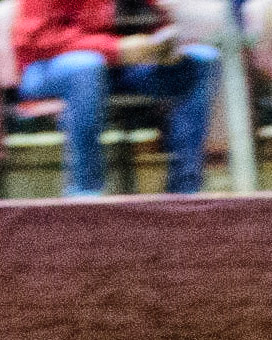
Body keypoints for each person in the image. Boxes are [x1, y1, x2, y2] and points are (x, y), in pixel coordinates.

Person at [11, 0, 219, 196]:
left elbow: (156, 21)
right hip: (47, 67)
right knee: (86, 66)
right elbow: (36, 39)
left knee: (201, 59)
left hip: (123, 67)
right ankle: (85, 192)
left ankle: (185, 192)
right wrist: (115, 48)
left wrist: (165, 45)